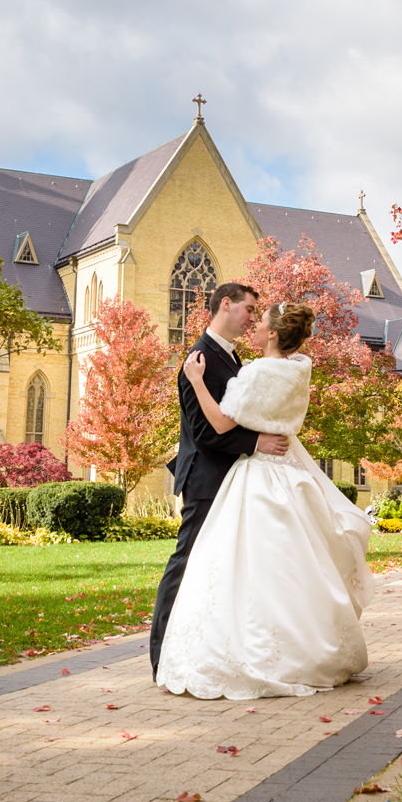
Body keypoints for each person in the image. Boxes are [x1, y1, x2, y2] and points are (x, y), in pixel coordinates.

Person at [155, 301, 376, 698]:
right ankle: (307, 648)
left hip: (257, 475)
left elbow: (220, 422)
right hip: (289, 477)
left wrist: (197, 380)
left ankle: (251, 650)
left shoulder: (258, 370)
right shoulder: (298, 369)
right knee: (292, 564)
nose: (254, 327)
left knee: (243, 564)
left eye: (260, 322)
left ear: (273, 333)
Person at [149, 282, 291, 677]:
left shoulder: (230, 358)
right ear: (225, 305)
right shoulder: (199, 358)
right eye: (248, 309)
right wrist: (257, 441)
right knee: (186, 564)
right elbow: (204, 432)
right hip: (206, 481)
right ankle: (161, 655)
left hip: (233, 479)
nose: (251, 318)